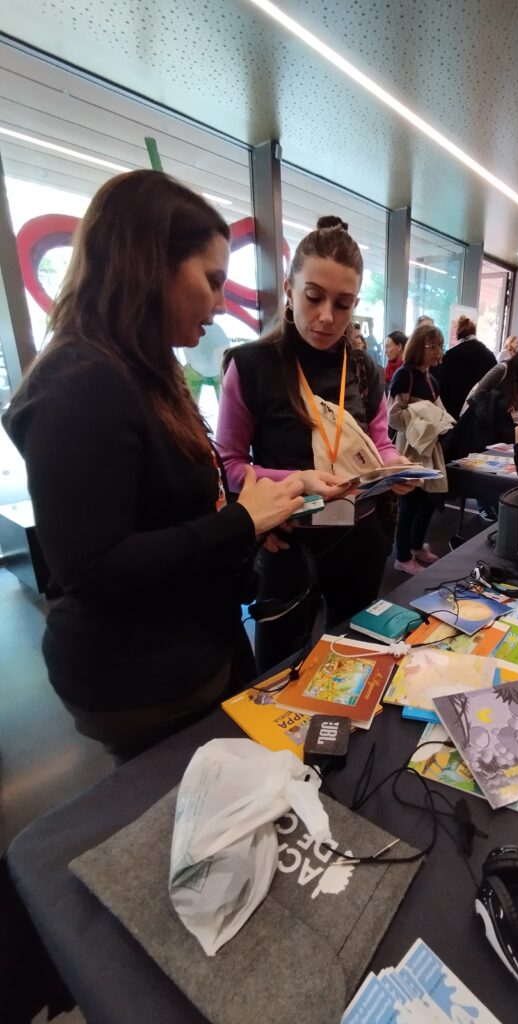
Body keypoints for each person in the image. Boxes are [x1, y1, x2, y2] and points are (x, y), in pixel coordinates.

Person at [1, 170, 307, 759]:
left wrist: (253, 520)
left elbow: (174, 509)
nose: (221, 304)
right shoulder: (81, 383)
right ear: (151, 263)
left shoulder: (145, 370)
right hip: (141, 678)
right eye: (212, 280)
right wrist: (239, 523)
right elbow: (93, 568)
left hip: (197, 645)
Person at [216, 215, 413, 671]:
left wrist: (394, 466)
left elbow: (378, 444)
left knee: (357, 660)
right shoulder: (251, 365)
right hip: (287, 541)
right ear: (289, 290)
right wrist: (298, 480)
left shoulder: (364, 369)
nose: (327, 316)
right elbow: (230, 465)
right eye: (313, 297)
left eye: (342, 304)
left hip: (360, 536)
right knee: (279, 668)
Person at [388, 324, 452, 575]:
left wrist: (437, 420)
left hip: (430, 446)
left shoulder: (431, 378)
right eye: (432, 346)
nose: (438, 351)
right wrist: (424, 415)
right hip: (411, 448)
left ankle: (415, 546)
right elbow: (394, 417)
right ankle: (402, 557)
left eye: (440, 346)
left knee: (428, 500)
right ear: (418, 347)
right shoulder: (405, 375)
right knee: (410, 502)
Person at [436, 314, 497, 420]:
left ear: (458, 334)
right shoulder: (489, 356)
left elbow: (442, 387)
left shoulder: (450, 356)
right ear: (474, 332)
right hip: (478, 414)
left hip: (452, 413)